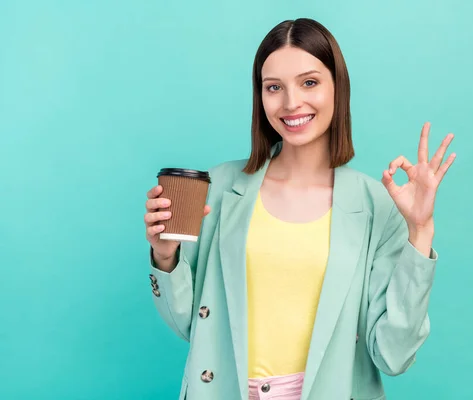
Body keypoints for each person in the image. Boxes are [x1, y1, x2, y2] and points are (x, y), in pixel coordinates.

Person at [143, 17, 455, 400]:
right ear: (260, 96)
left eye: (309, 82)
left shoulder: (376, 205)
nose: (292, 103)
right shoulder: (218, 188)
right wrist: (164, 256)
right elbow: (188, 325)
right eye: (274, 87)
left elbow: (393, 356)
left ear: (338, 88)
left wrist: (420, 232)